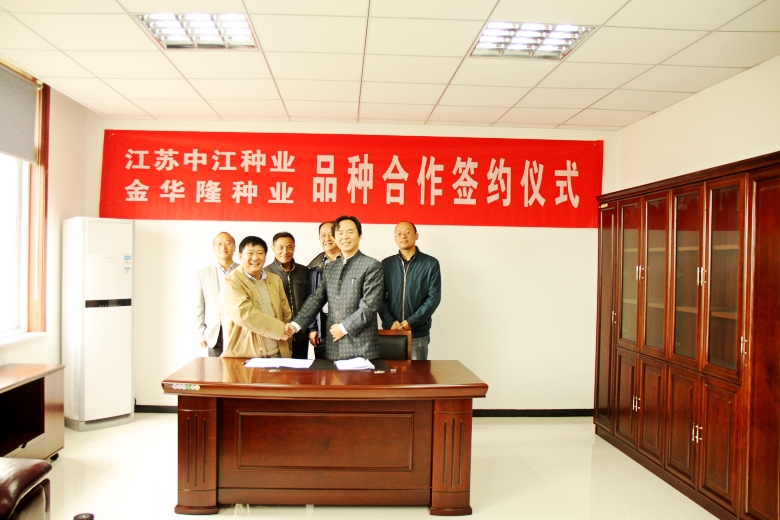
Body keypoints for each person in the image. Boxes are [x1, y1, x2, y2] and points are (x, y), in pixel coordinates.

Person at [286, 216, 384, 360]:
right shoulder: (330, 268)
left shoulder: (372, 265)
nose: (345, 236)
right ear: (336, 237)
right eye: (340, 232)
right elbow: (317, 298)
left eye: (350, 231)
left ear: (360, 236)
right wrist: (295, 325)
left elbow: (369, 307)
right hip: (334, 346)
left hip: (361, 346)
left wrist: (344, 328)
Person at [378, 221, 441, 360]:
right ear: (395, 238)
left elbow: (433, 298)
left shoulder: (430, 263)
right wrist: (390, 322)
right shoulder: (386, 264)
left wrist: (411, 322)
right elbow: (379, 297)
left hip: (417, 333)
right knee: (390, 372)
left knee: (417, 373)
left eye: (407, 232)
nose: (403, 236)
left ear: (416, 235)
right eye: (399, 233)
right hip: (392, 332)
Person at [221, 236, 292, 358]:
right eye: (250, 253)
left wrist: (287, 341)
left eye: (260, 253)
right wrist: (280, 330)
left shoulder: (275, 280)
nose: (255, 258)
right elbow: (245, 315)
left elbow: (286, 314)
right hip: (247, 356)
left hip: (279, 354)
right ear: (240, 256)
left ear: (265, 256)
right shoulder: (231, 282)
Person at [264, 232, 311, 359]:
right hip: (278, 334)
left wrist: (311, 329)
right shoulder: (266, 273)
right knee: (279, 370)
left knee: (301, 369)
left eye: (289, 247)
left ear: (294, 248)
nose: (285, 252)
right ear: (273, 248)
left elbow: (311, 302)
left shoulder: (304, 271)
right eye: (280, 247)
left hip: (301, 333)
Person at [195, 232, 239, 357]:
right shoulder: (203, 274)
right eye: (219, 244)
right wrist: (200, 334)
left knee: (240, 368)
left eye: (228, 243)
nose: (223, 247)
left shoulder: (243, 271)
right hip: (215, 332)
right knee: (215, 368)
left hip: (239, 331)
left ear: (234, 247)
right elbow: (199, 306)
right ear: (214, 248)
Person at [307, 221, 340, 359]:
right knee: (323, 369)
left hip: (347, 326)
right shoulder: (313, 266)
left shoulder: (353, 262)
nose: (327, 239)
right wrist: (313, 328)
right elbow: (310, 300)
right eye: (323, 235)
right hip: (323, 326)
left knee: (349, 369)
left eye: (331, 234)